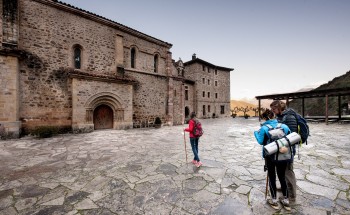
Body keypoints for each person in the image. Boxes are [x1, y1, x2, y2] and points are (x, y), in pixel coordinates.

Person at [254, 109, 291, 211]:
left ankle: (274, 200)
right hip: (283, 155)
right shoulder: (284, 126)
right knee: (282, 176)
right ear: (274, 116)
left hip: (270, 155)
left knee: (272, 176)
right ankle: (286, 201)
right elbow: (289, 138)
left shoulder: (264, 128)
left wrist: (255, 133)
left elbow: (261, 141)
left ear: (265, 118)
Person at [270, 100, 297, 203]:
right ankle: (284, 188)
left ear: (280, 108)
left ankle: (292, 196)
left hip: (287, 149)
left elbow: (293, 136)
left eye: (274, 109)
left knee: (288, 172)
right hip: (281, 148)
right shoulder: (281, 116)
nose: (273, 111)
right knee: (282, 172)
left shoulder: (289, 117)